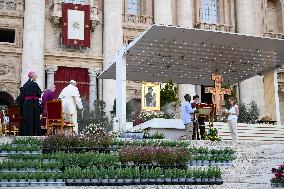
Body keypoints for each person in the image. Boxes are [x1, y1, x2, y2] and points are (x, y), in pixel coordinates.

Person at [22, 71, 42, 136]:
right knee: (34, 118)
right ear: (32, 76)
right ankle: (35, 132)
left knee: (28, 118)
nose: (36, 77)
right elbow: (39, 93)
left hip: (26, 103)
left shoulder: (25, 85)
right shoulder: (34, 84)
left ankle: (27, 133)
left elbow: (22, 96)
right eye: (35, 76)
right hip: (33, 103)